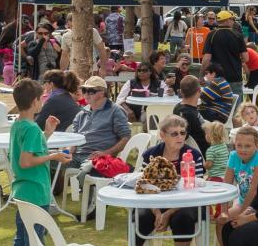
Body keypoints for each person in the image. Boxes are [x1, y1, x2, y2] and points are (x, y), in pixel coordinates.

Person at [10, 79, 73, 246]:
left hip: (23, 190)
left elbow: (31, 152)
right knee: (35, 240)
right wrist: (53, 157)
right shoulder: (31, 128)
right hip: (36, 192)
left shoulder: (18, 124)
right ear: (34, 101)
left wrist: (47, 134)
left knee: (22, 237)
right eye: (41, 97)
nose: (43, 100)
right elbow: (26, 161)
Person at [136, 115, 204, 246]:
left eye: (183, 133)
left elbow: (196, 191)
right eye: (174, 134)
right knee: (141, 217)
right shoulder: (151, 155)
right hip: (155, 202)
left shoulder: (194, 156)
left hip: (186, 202)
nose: (180, 137)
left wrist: (169, 213)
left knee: (183, 218)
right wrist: (156, 211)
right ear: (163, 135)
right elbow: (144, 186)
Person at [64, 76, 131, 198]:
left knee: (87, 171)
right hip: (77, 155)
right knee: (50, 163)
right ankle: (48, 202)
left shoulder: (115, 111)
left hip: (99, 158)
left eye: (91, 91)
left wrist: (106, 153)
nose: (86, 94)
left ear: (102, 92)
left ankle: (91, 206)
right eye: (84, 90)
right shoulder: (81, 113)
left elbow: (125, 137)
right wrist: (66, 152)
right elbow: (73, 141)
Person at [202, 10, 248, 101]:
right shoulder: (238, 35)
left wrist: (201, 74)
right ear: (227, 20)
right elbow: (246, 58)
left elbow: (206, 58)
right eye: (232, 19)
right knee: (236, 108)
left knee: (216, 105)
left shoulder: (211, 35)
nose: (233, 22)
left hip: (216, 77)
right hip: (235, 76)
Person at [59, 14, 109, 79]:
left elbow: (102, 49)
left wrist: (103, 68)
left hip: (91, 70)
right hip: (74, 70)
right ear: (68, 23)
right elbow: (64, 56)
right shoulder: (66, 36)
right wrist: (62, 73)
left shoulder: (92, 31)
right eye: (70, 23)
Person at [174, 76, 209, 153]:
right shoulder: (188, 114)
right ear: (199, 91)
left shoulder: (177, 107)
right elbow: (183, 137)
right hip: (203, 155)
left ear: (181, 92)